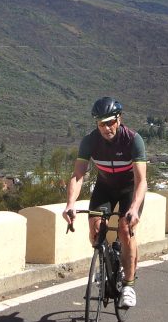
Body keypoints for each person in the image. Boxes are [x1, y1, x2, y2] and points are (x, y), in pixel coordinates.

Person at [63, 97, 147, 308]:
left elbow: (141, 180)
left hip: (130, 190)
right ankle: (104, 261)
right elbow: (78, 174)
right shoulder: (90, 141)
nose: (107, 128)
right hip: (105, 188)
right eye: (102, 124)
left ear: (119, 119)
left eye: (111, 122)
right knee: (95, 229)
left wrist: (135, 208)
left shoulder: (132, 139)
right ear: (96, 124)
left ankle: (128, 284)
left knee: (125, 229)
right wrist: (70, 204)